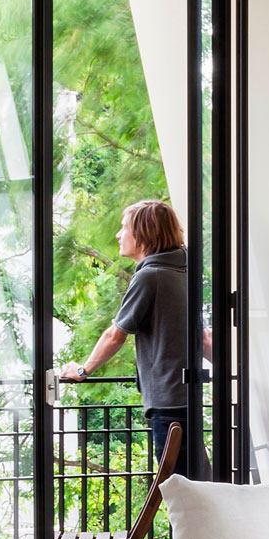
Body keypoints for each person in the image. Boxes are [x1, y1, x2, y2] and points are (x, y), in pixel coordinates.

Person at [60, 200, 208, 474]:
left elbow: (115, 335)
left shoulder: (150, 277)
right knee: (195, 486)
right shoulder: (183, 273)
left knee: (180, 492)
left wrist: (82, 370)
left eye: (123, 227)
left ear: (143, 234)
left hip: (168, 406)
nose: (118, 235)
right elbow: (203, 337)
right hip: (188, 400)